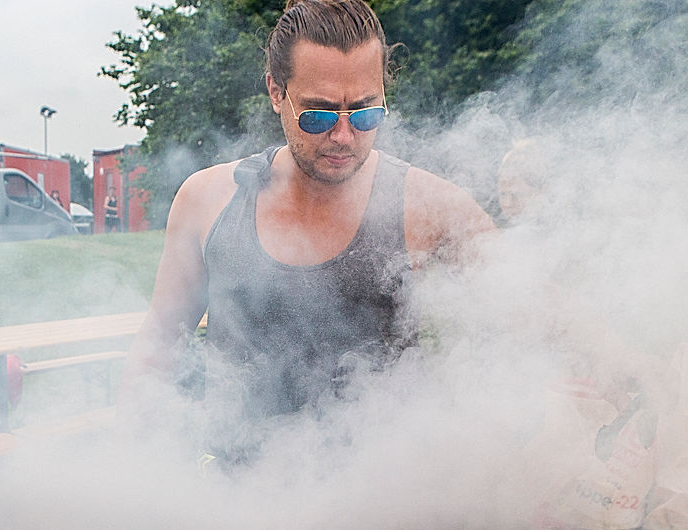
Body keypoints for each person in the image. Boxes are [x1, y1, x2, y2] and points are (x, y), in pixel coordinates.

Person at [120, 0, 495, 461]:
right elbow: (159, 344)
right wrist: (136, 459)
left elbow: (536, 311)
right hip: (238, 502)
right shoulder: (207, 200)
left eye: (365, 114)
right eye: (318, 115)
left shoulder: (430, 206)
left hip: (388, 502)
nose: (343, 136)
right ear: (277, 92)